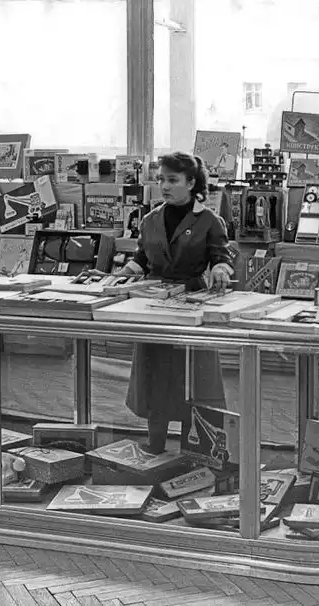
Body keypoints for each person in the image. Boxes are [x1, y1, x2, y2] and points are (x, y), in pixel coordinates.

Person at [118, 152, 234, 454]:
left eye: (172, 180)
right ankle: (154, 446)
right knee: (154, 376)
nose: (165, 186)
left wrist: (221, 269)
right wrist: (118, 277)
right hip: (153, 302)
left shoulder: (210, 220)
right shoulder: (150, 219)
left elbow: (221, 256)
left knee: (192, 380)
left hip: (191, 303)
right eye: (161, 180)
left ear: (191, 182)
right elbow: (141, 259)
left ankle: (192, 450)